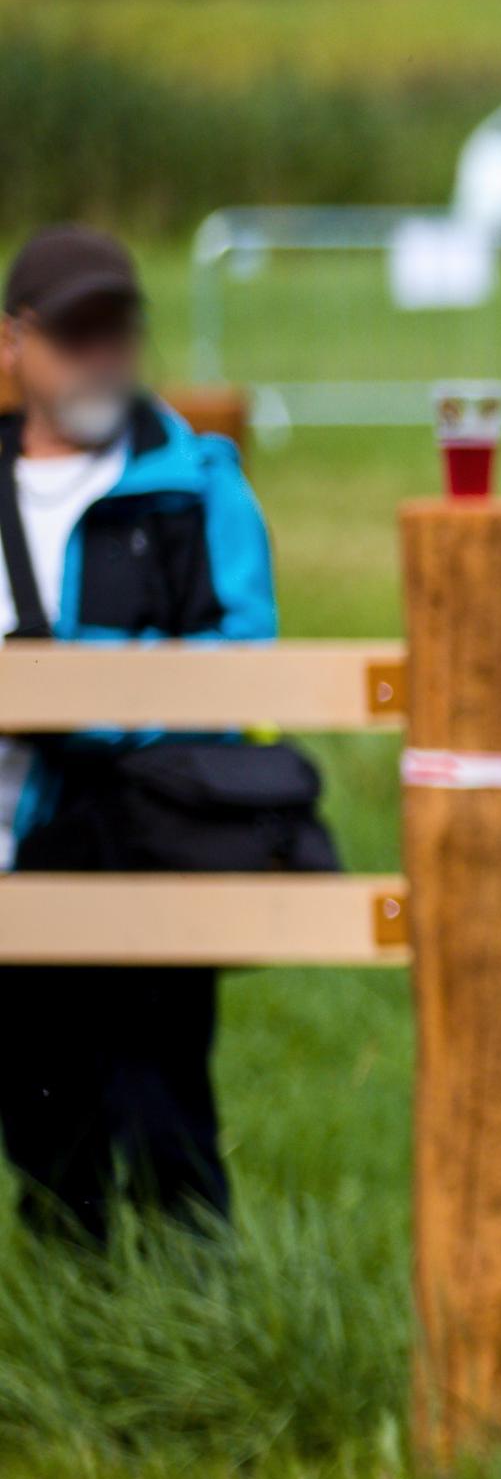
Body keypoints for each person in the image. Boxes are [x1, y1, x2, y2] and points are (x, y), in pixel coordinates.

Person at [0, 224, 309, 1243]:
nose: (101, 354)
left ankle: (198, 1312)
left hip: (151, 838)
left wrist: (66, 685)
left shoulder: (198, 482)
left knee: (163, 1108)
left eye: (119, 329)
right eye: (74, 332)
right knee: (40, 1119)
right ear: (13, 342)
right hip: (10, 850)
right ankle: (74, 1310)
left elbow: (244, 660)